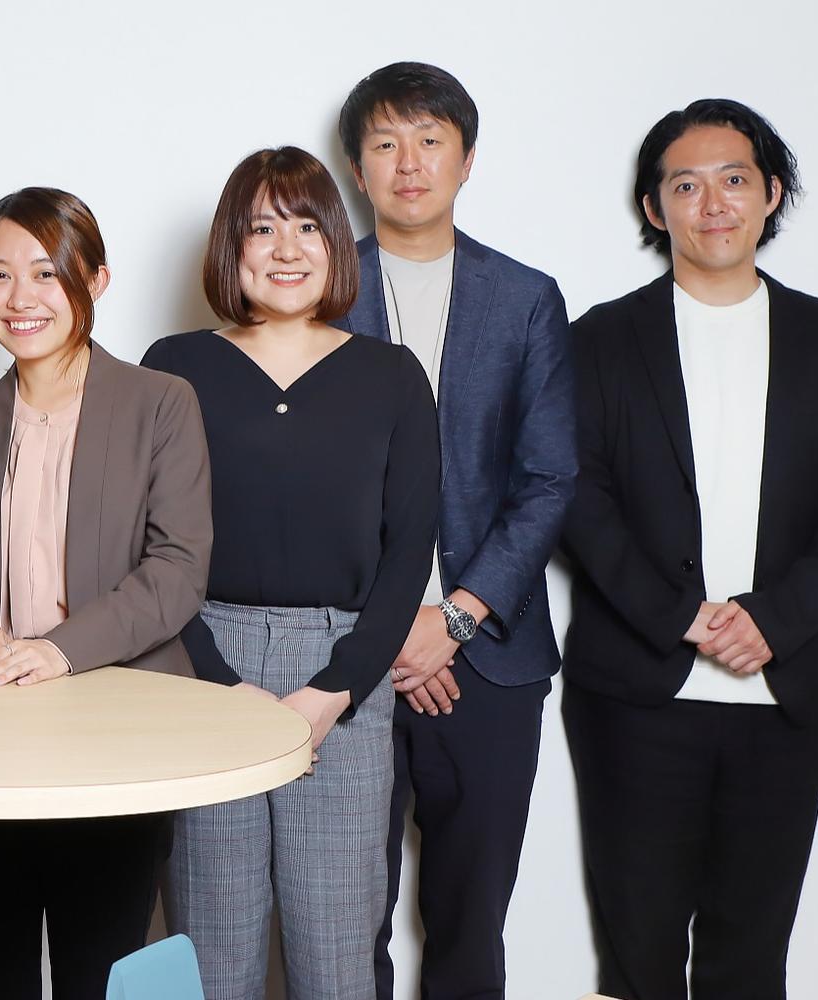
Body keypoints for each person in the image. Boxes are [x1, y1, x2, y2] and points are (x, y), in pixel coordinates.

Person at [559, 99, 818, 1000]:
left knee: (751, 962)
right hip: (637, 694)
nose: (713, 204)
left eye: (735, 180)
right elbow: (576, 493)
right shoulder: (598, 341)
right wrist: (678, 617)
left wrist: (774, 620)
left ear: (770, 194)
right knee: (637, 961)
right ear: (654, 208)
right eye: (686, 185)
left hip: (783, 695)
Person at [147, 146, 440, 1000]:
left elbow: (407, 553)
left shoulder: (391, 376)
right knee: (213, 954)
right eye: (262, 228)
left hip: (345, 666)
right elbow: (152, 543)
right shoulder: (175, 366)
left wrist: (335, 690)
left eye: (308, 226)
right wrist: (219, 682)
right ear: (230, 247)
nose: (286, 248)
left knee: (337, 958)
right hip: (205, 662)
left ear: (335, 244)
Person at [0, 187, 212, 1000]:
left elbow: (179, 567)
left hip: (121, 731)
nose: (21, 297)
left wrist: (57, 651)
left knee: (102, 970)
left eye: (47, 272)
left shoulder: (161, 403)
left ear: (97, 279)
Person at [331, 62, 576, 1000]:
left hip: (492, 662)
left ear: (466, 160)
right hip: (351, 656)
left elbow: (550, 478)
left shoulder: (525, 298)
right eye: (386, 142)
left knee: (471, 924)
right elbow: (304, 486)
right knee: (340, 921)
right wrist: (395, 627)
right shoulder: (317, 288)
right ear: (357, 166)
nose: (409, 163)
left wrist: (458, 617)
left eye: (430, 141)